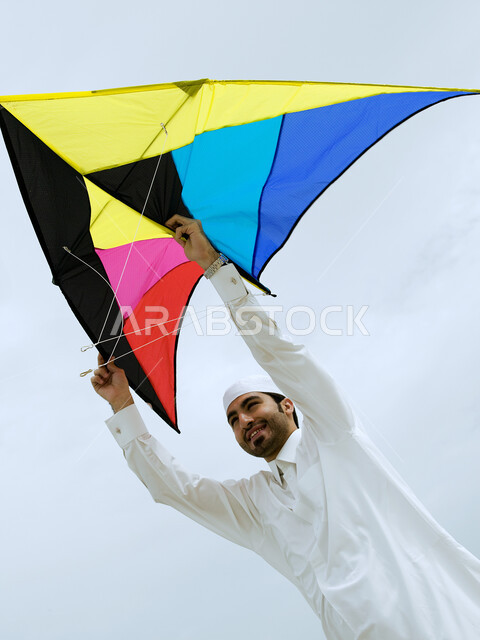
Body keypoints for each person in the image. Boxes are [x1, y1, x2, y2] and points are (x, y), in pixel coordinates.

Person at [92, 215, 480, 640]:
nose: (244, 421)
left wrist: (215, 269)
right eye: (233, 420)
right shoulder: (256, 506)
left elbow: (279, 354)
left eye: (251, 405)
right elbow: (175, 490)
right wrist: (123, 406)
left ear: (288, 405)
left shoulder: (334, 437)